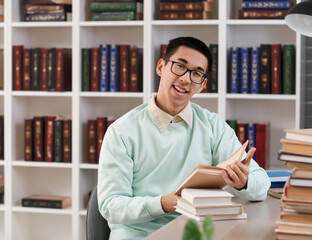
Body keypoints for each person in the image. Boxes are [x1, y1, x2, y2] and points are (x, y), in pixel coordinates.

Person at [97, 36, 270, 240]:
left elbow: (262, 185)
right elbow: (110, 206)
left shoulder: (213, 126)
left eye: (196, 74)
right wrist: (164, 203)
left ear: (202, 85)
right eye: (180, 66)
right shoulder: (122, 131)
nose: (186, 79)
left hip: (194, 234)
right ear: (161, 67)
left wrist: (244, 183)